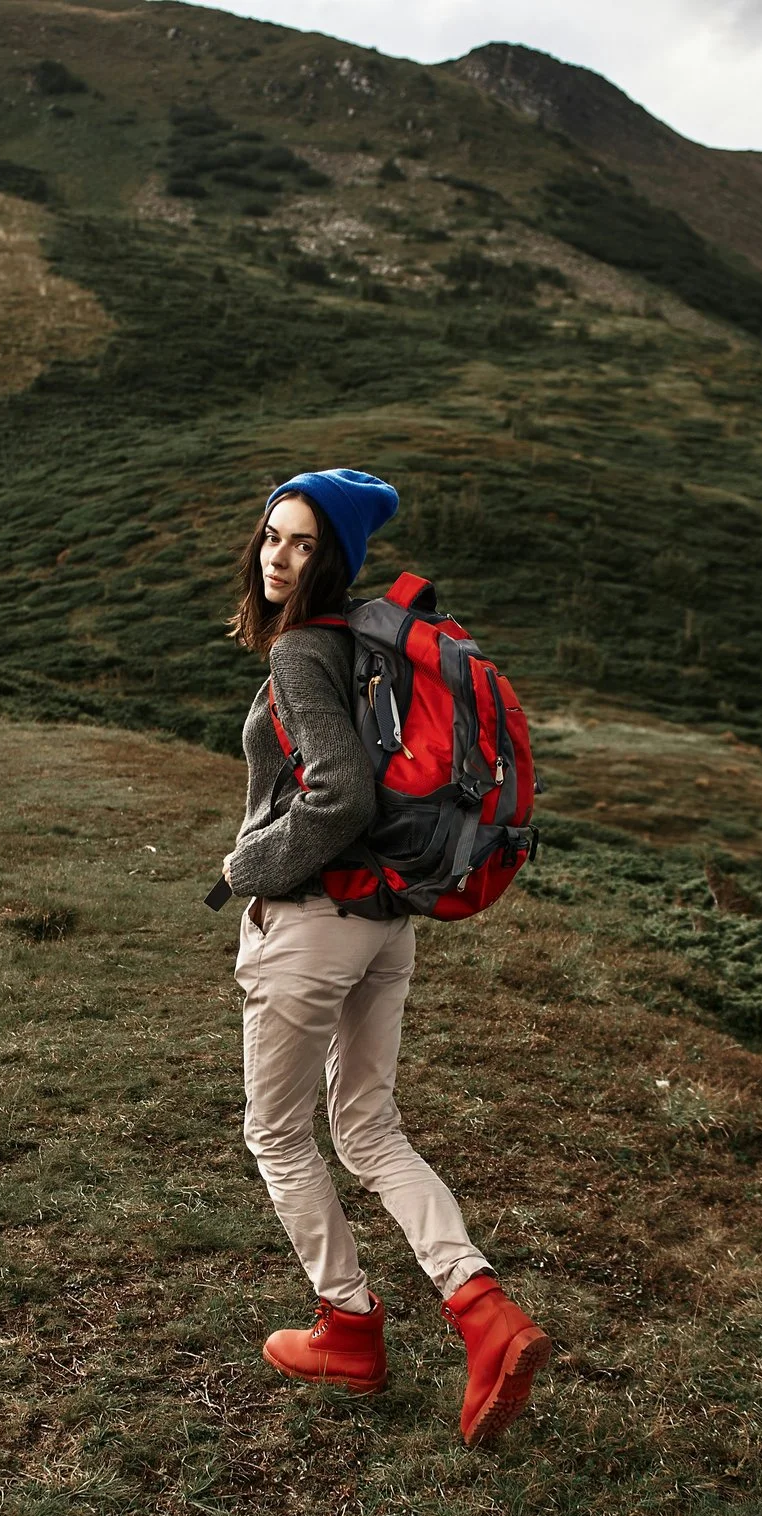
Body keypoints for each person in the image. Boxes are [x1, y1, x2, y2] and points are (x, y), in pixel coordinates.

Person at [217, 467, 550, 1448]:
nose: (279, 557)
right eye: (272, 536)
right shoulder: (367, 650)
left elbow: (341, 798)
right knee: (368, 1128)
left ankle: (348, 1328)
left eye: (302, 544)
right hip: (383, 922)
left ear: (335, 560)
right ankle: (482, 1309)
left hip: (312, 922)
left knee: (277, 1133)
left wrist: (248, 864)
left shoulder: (303, 657)